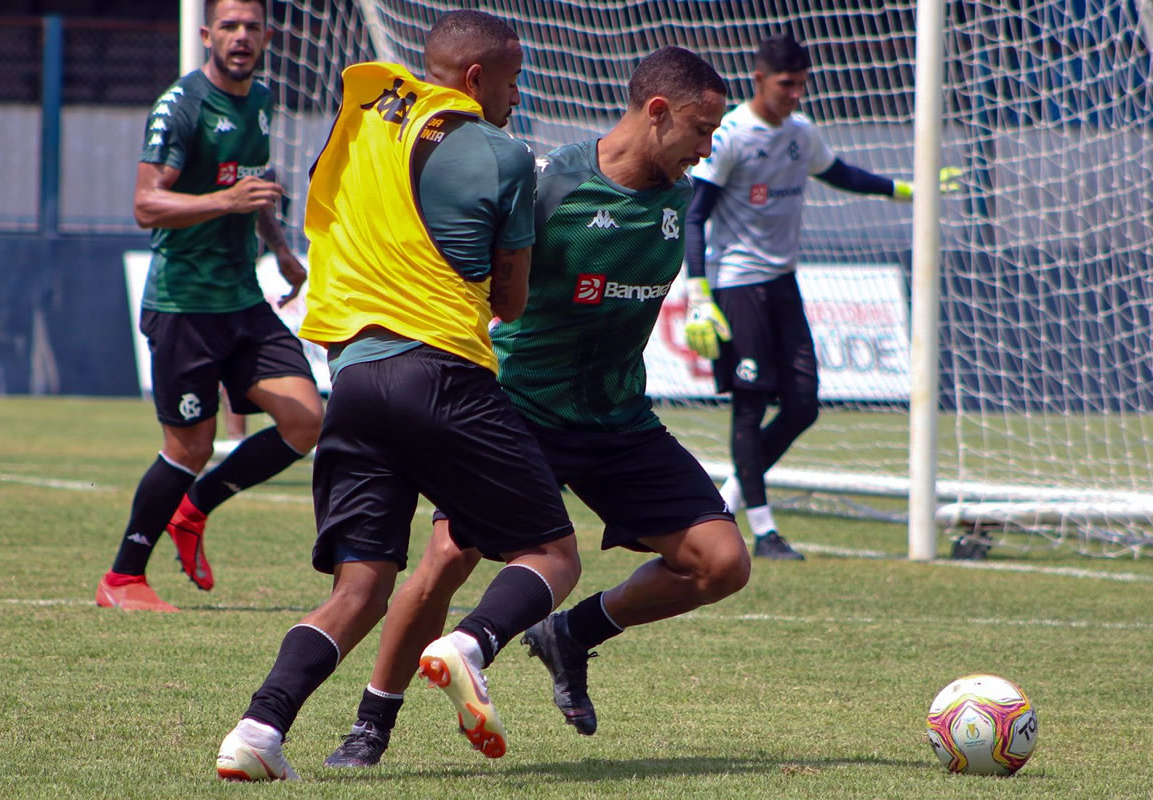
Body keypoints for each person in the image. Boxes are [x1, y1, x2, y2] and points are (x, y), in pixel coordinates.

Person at [322, 46, 749, 769]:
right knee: (450, 554)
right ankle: (371, 724)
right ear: (656, 112)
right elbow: (482, 285)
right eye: (701, 130)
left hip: (618, 417)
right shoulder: (551, 186)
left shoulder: (681, 197)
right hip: (520, 408)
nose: (708, 150)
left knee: (722, 562)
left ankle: (570, 634)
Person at [214, 10, 582, 781]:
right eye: (512, 80)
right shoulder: (501, 152)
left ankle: (258, 728)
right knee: (550, 552)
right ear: (477, 79)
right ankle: (468, 643)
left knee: (360, 589)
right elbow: (509, 303)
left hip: (352, 380)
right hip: (441, 373)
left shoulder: (360, 125)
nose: (519, 96)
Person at [682, 33, 959, 560]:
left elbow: (840, 174)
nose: (796, 95)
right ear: (761, 79)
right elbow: (696, 214)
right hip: (737, 286)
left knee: (805, 404)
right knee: (750, 405)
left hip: (783, 283)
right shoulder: (732, 136)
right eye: (788, 85)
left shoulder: (801, 133)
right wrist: (698, 292)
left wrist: (907, 190)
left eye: (802, 86)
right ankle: (762, 532)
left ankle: (721, 500)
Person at [95, 0, 323, 611]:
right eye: (229, 26)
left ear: (267, 36)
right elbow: (146, 204)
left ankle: (193, 511)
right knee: (190, 448)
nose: (241, 37)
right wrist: (225, 202)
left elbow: (252, 186)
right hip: (184, 304)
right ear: (206, 35)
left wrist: (279, 249)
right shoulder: (182, 105)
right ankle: (122, 579)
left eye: (251, 26)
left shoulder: (263, 100)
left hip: (242, 299)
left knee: (306, 420)